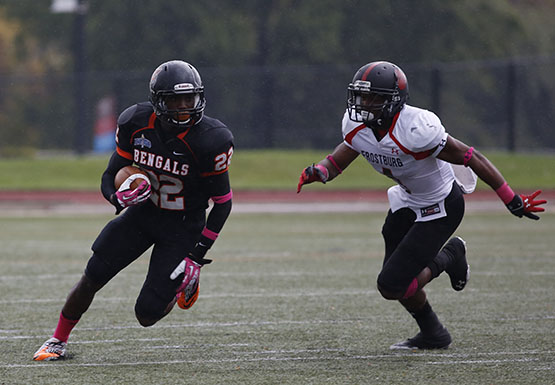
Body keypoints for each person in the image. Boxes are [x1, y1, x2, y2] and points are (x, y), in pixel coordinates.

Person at [297, 61, 546, 350]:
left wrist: (512, 200)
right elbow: (344, 154)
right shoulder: (358, 125)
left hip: (440, 205)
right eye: (361, 96)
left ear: (393, 100)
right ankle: (434, 334)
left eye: (373, 97)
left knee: (392, 285)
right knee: (399, 281)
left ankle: (450, 255)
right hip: (406, 201)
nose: (364, 103)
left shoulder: (417, 128)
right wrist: (321, 171)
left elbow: (471, 156)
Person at [33, 60, 234, 361]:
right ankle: (57, 341)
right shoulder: (136, 122)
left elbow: (223, 203)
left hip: (182, 225)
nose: (183, 107)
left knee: (147, 314)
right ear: (158, 101)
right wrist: (118, 198)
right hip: (143, 214)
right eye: (174, 100)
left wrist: (196, 256)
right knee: (93, 274)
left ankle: (182, 284)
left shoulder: (211, 139)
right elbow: (108, 176)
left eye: (188, 98)